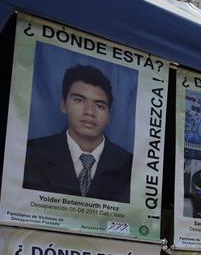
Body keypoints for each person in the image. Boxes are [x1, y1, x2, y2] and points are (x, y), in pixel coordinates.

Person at [23, 64, 132, 203]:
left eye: (100, 106)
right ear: (63, 105)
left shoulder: (128, 164)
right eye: (79, 100)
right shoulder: (32, 153)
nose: (89, 112)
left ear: (109, 116)